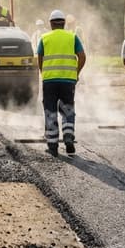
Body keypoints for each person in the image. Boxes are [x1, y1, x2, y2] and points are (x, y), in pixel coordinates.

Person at [36, 9, 86, 156]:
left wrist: (44, 73)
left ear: (51, 24)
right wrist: (76, 73)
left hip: (49, 81)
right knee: (67, 109)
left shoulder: (44, 38)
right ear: (64, 23)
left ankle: (52, 146)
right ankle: (68, 136)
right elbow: (82, 57)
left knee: (50, 110)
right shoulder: (72, 37)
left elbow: (39, 58)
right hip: (68, 81)